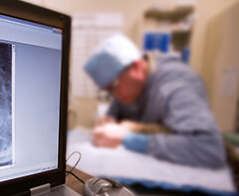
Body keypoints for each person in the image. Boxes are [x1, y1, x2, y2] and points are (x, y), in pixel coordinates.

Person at [84, 34, 226, 169]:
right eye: (108, 92)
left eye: (113, 87)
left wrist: (128, 139)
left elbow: (210, 149)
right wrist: (108, 120)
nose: (115, 96)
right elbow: (114, 115)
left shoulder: (175, 83)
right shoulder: (128, 88)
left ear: (136, 66)